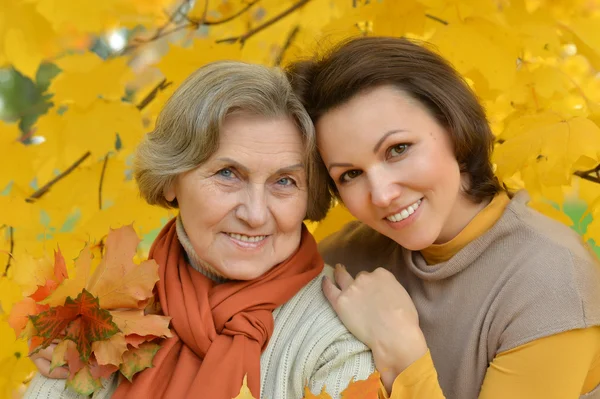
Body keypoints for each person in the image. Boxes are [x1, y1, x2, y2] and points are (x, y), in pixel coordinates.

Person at [24, 60, 377, 399]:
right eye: (227, 173)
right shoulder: (102, 313)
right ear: (170, 181)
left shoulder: (336, 336)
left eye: (284, 180)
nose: (255, 214)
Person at [286, 36, 600, 398]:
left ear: (452, 126)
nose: (383, 194)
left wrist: (403, 354)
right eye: (350, 175)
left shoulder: (551, 280)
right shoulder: (342, 261)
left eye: (397, 149)